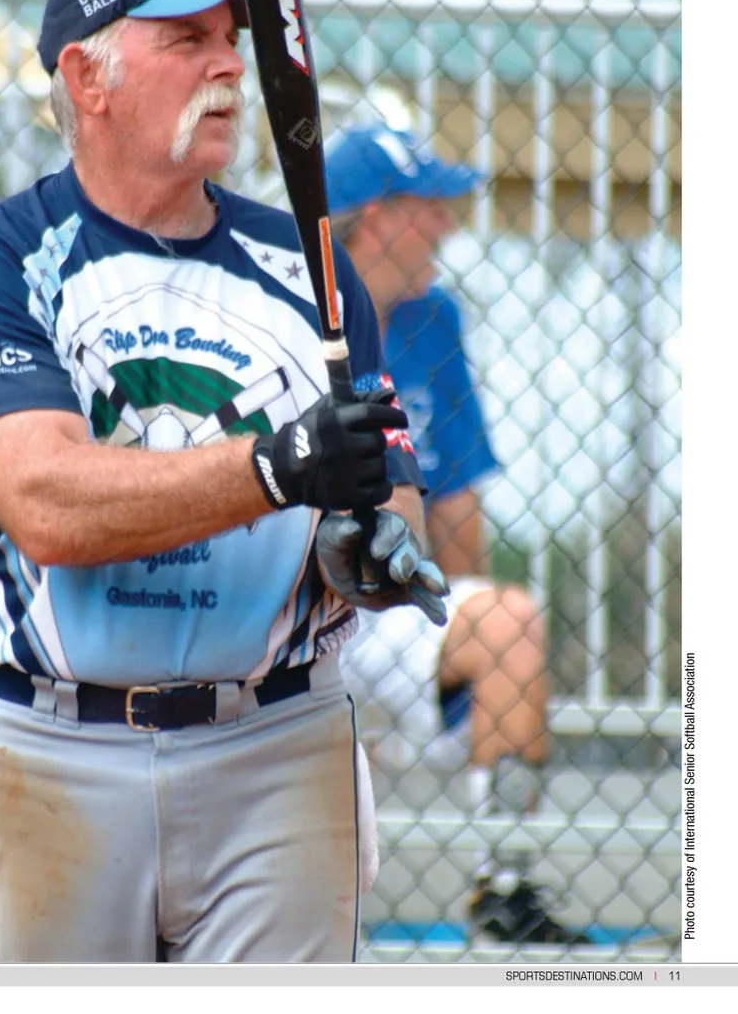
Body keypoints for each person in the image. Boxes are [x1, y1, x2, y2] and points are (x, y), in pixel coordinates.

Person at [0, 0, 449, 964]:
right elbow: (47, 502)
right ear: (88, 78)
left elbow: (387, 483)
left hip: (278, 740)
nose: (228, 66)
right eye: (185, 40)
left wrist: (371, 543)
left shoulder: (313, 271)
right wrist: (277, 468)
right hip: (58, 751)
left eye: (230, 40)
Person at [325, 123, 595, 947]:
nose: (448, 224)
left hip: (389, 611)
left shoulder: (433, 319)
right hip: (287, 613)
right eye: (429, 206)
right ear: (376, 217)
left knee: (508, 620)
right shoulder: (293, 313)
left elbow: (456, 506)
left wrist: (456, 620)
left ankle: (504, 891)